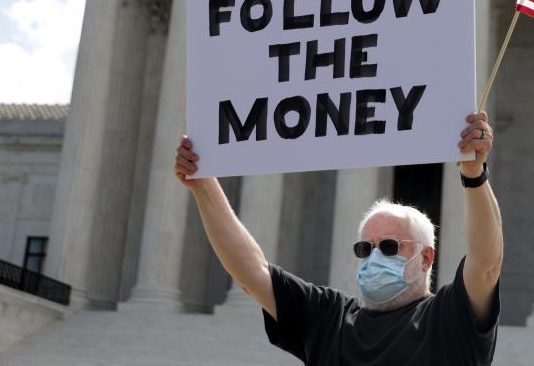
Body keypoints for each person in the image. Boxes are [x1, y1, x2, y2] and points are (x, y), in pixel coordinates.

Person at [174, 111, 502, 365]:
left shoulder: (448, 319)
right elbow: (251, 274)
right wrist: (204, 186)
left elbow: (486, 265)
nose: (374, 257)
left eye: (389, 246)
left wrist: (474, 175)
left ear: (427, 257)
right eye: (365, 248)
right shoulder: (331, 317)